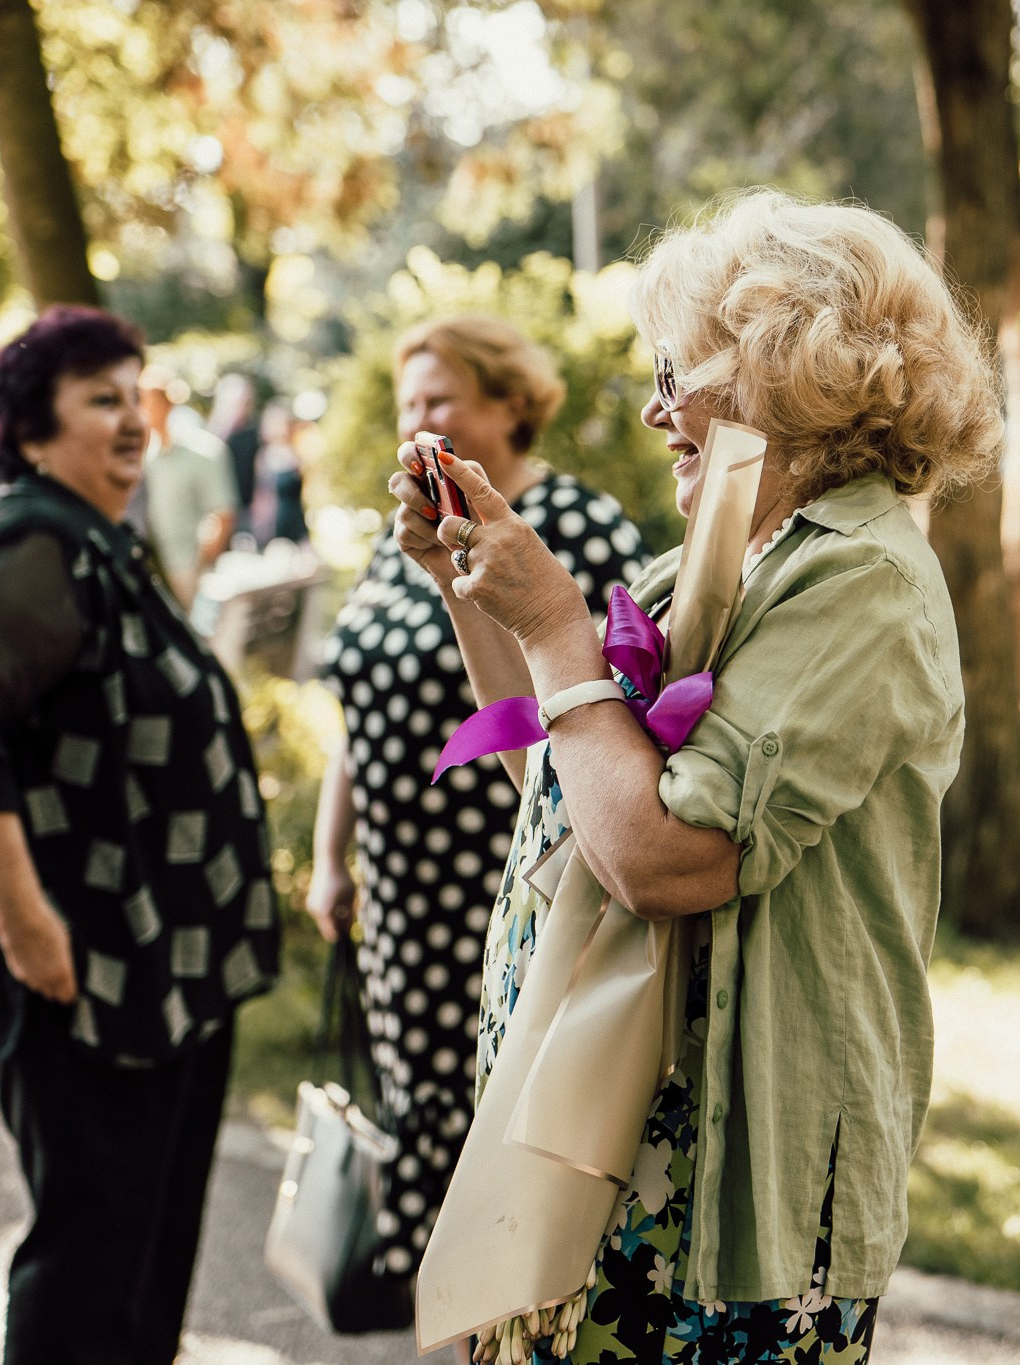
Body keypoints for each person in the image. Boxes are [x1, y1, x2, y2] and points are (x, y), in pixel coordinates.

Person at [391, 191, 993, 1362]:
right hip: (615, 1137)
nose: (657, 407)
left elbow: (664, 860)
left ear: (781, 368)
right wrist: (481, 594)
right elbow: (561, 781)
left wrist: (561, 625)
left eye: (676, 370)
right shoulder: (718, 555)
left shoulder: (857, 577)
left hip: (723, 1177)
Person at [0, 306, 279, 1365]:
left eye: (134, 394)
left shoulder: (99, 539)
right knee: (91, 1257)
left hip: (156, 960)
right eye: (97, 399)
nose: (130, 419)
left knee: (141, 1257)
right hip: (85, 971)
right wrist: (27, 928)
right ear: (30, 430)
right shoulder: (34, 543)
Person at [309, 317, 646, 1294]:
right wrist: (334, 857)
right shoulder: (404, 530)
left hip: (503, 891)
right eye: (407, 403)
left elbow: (606, 708)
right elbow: (355, 701)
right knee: (420, 1128)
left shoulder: (576, 527)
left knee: (497, 1148)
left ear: (510, 404)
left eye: (439, 400)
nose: (417, 420)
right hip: (402, 903)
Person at [139, 365, 236, 608]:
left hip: (186, 568)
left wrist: (199, 565)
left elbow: (224, 513)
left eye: (146, 401)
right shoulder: (143, 457)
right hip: (149, 567)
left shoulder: (203, 451)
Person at [249, 397, 308, 548]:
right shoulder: (262, 456)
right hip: (268, 523)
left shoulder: (296, 454)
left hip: (293, 521)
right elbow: (260, 493)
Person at [208, 372, 261, 538]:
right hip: (216, 508)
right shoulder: (212, 435)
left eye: (244, 402)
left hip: (244, 509)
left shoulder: (253, 434)